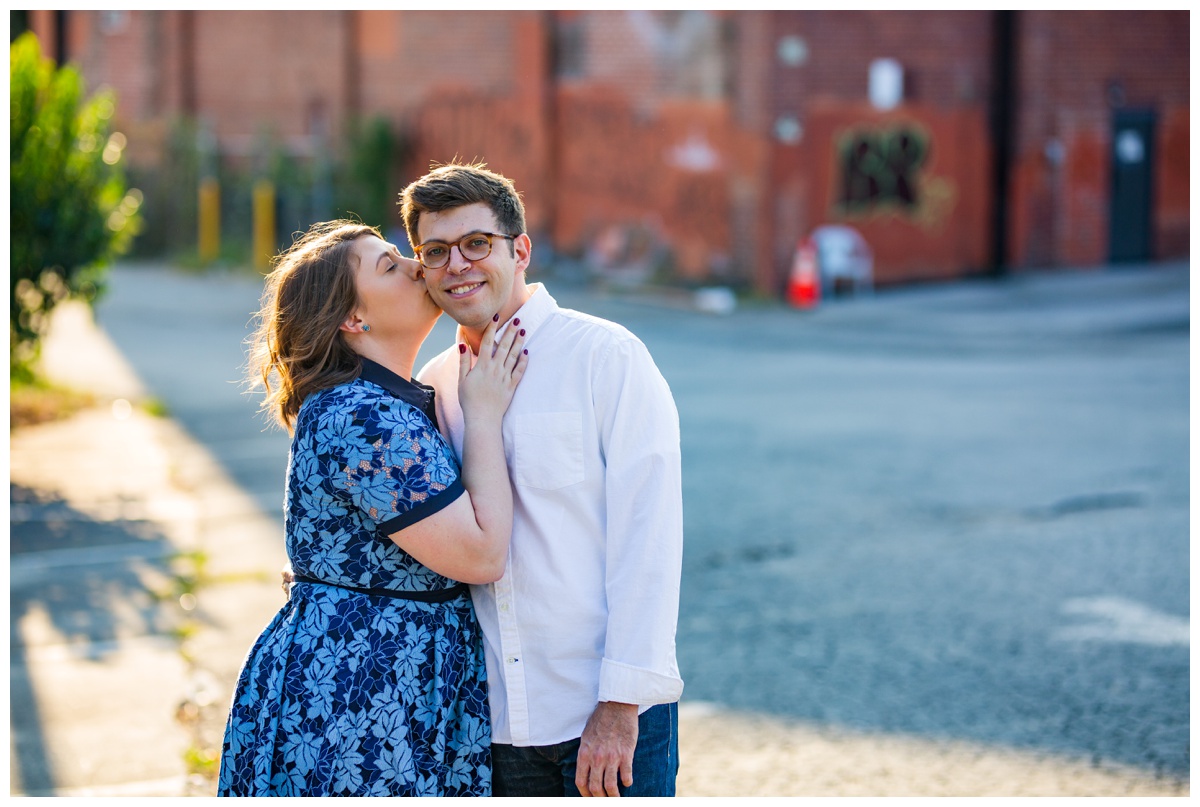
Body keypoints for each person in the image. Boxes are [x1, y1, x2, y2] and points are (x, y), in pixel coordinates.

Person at [400, 162, 685, 797]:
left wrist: (620, 705)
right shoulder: (435, 386)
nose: (458, 265)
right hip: (490, 726)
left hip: (605, 713)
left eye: (478, 244)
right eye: (436, 251)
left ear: (520, 249)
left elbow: (650, 540)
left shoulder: (605, 357)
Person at [217, 219, 528, 796]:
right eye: (390, 264)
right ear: (353, 320)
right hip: (358, 699)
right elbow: (482, 555)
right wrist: (482, 412)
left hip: (380, 685)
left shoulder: (384, 402)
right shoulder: (362, 415)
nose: (417, 265)